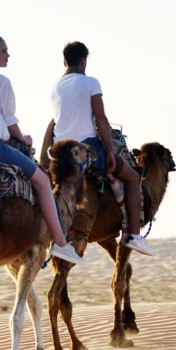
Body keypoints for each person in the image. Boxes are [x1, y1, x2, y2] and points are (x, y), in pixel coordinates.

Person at [0, 34, 82, 265]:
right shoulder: (2, 83)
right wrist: (25, 139)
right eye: (3, 51)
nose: (8, 55)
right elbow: (10, 122)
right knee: (42, 180)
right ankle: (61, 243)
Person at [41, 41, 154, 256]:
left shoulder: (55, 87)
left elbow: (56, 121)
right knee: (131, 177)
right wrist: (110, 152)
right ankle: (133, 235)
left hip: (60, 151)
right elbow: (101, 119)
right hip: (84, 150)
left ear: (65, 62)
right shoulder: (91, 82)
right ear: (83, 62)